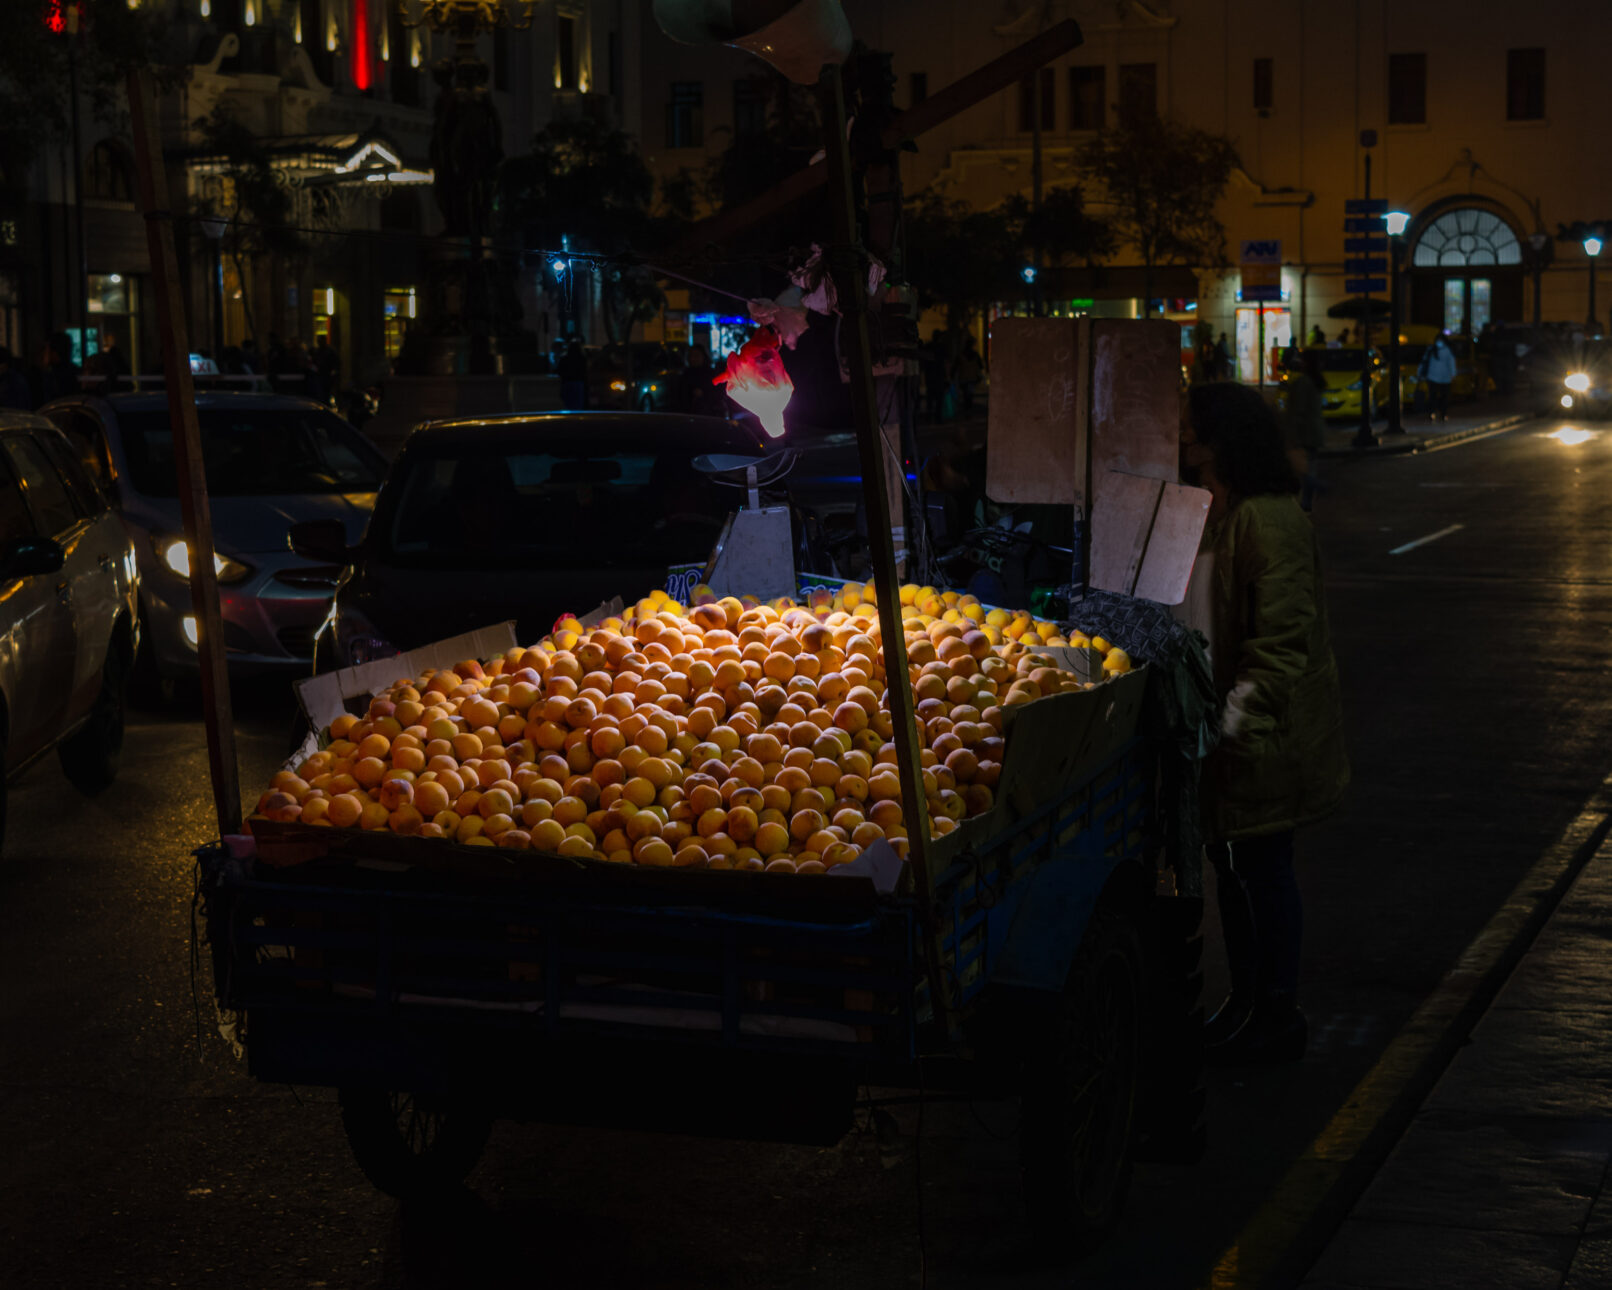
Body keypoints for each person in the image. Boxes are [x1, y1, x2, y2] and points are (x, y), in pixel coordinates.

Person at [1181, 382, 1348, 1065]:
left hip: (1264, 735)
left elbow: (1280, 644)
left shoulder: (1268, 520)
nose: (1184, 443)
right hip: (1232, 729)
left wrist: (1235, 726)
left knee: (1264, 870)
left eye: (1193, 432)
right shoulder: (1224, 511)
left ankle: (1277, 1013)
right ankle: (1247, 1002)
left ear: (1223, 442)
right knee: (1235, 868)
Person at [1282, 350, 1327, 511]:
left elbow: (1297, 412)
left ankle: (1317, 490)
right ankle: (1307, 503)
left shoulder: (1303, 383)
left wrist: (1291, 435)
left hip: (1304, 433)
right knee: (1308, 467)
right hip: (1314, 432)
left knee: (1300, 469)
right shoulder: (1316, 381)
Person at [1418, 331, 1457, 421]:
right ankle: (1434, 412)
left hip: (1444, 377)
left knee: (1442, 397)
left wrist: (1453, 374)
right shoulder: (1431, 350)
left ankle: (1442, 413)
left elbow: (1451, 363)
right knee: (1434, 396)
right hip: (1433, 377)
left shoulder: (1447, 350)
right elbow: (1424, 362)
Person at [39, 332, 80, 404]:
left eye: (45, 350)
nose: (42, 354)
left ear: (54, 353)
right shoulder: (76, 372)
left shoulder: (50, 376)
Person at [953, 336, 984, 414]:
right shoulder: (975, 355)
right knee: (969, 395)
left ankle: (967, 409)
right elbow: (981, 366)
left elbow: (955, 367)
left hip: (964, 378)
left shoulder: (961, 355)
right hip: (971, 378)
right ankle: (968, 409)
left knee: (966, 395)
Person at [557, 339, 588, 410]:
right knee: (578, 404)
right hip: (578, 382)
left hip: (567, 382)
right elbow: (585, 371)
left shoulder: (564, 358)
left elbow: (559, 370)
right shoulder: (582, 358)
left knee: (568, 403)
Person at [313, 335, 340, 405]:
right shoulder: (317, 351)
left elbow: (336, 363)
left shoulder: (329, 351)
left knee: (326, 392)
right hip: (320, 375)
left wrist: (333, 372)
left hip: (327, 375)